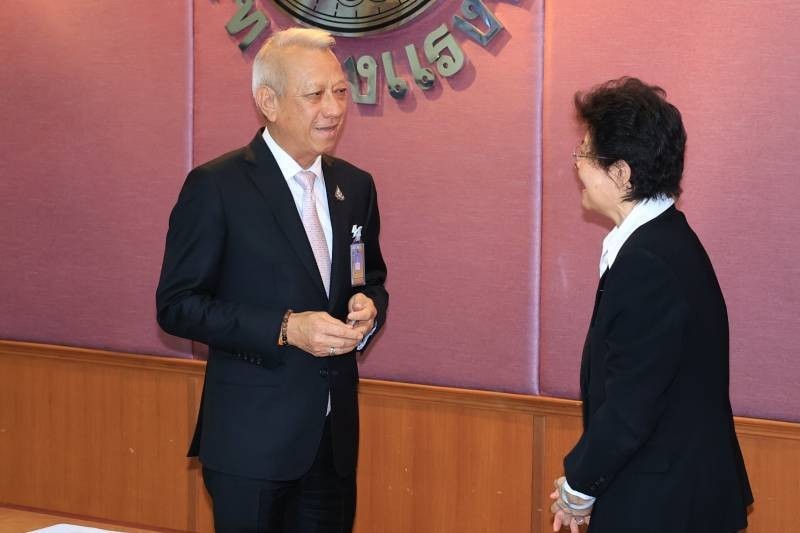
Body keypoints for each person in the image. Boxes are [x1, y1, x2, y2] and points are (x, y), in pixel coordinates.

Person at [156, 28, 388, 533]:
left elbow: (368, 276)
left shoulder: (356, 186)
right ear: (268, 102)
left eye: (340, 91)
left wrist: (369, 308)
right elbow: (177, 305)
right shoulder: (216, 187)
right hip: (251, 443)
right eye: (314, 95)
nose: (333, 109)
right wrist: (286, 327)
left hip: (332, 442)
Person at [549, 77, 752, 533]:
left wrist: (578, 488)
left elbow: (631, 403)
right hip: (669, 492)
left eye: (584, 154)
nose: (577, 166)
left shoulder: (648, 262)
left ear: (621, 173)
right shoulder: (664, 240)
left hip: (664, 503)